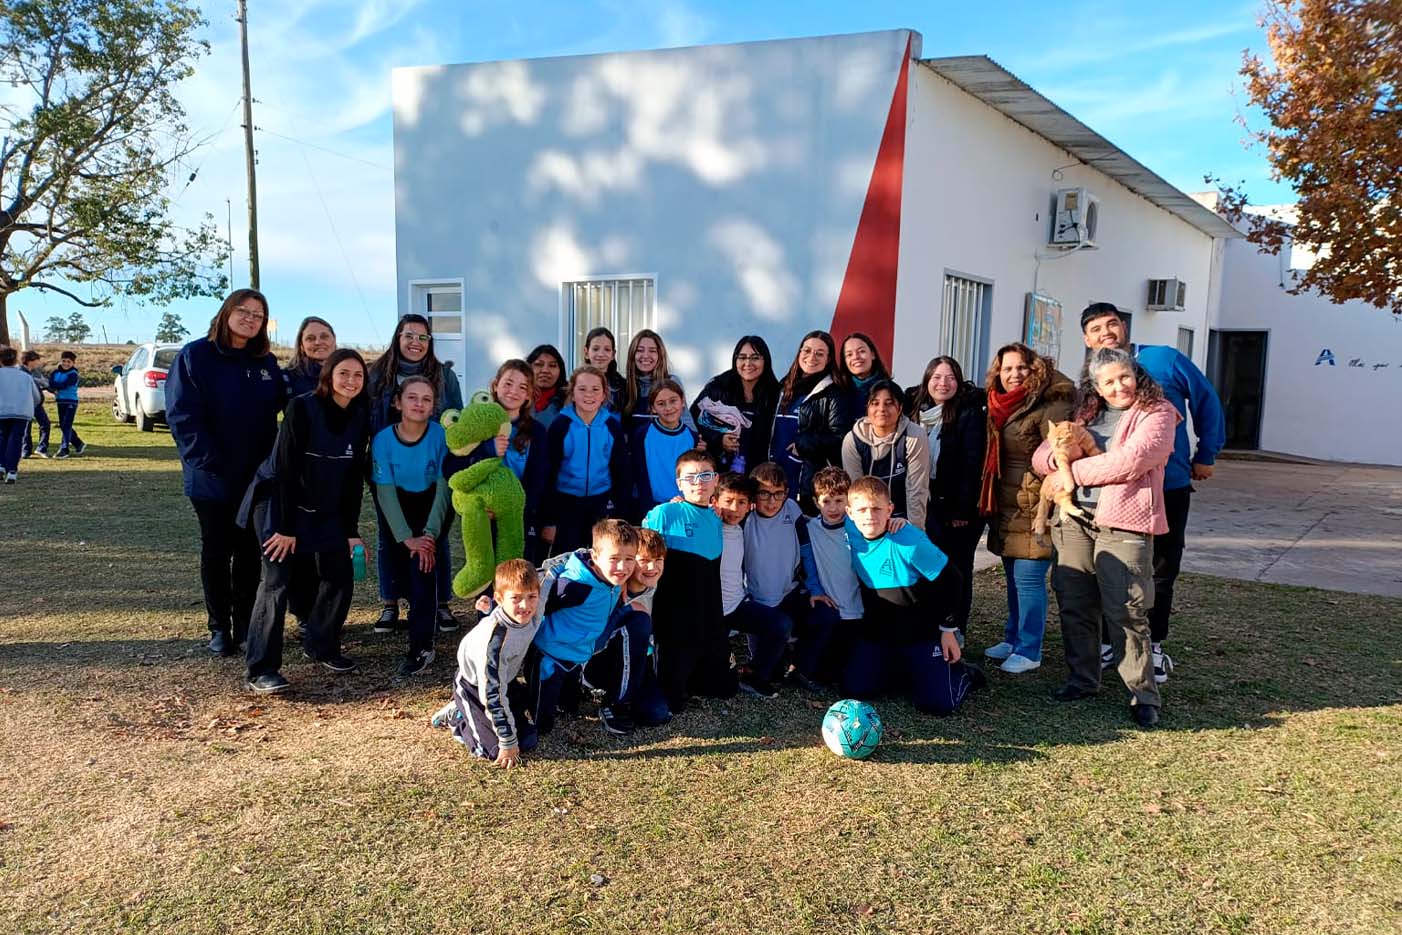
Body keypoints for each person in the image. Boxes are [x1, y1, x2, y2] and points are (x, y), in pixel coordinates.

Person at [1080, 302, 1225, 682]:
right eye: (1096, 329)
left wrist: (1206, 453)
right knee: (1109, 568)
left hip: (1167, 485)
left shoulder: (1163, 359)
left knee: (1159, 569)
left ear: (1124, 327)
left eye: (1112, 324)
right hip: (1111, 491)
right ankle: (1111, 641)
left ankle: (1154, 645)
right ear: (1087, 339)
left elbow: (1206, 399)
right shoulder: (1091, 377)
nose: (1106, 333)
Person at [1033, 346, 1177, 729]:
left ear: (1136, 374)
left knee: (1126, 607)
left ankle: (1143, 694)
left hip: (1125, 522)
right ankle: (1083, 679)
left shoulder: (1158, 413)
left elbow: (1130, 462)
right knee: (1074, 600)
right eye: (1108, 381)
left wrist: (1069, 473)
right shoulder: (1086, 413)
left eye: (1124, 377)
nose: (1118, 387)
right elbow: (1041, 455)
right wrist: (1055, 463)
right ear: (1095, 386)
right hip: (1074, 518)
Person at [240, 349, 372, 693]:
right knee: (276, 581)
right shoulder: (301, 407)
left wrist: (351, 531)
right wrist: (285, 528)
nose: (351, 381)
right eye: (344, 373)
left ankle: (321, 644)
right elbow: (286, 470)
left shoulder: (360, 416)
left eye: (358, 375)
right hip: (279, 502)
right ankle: (261, 669)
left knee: (340, 572)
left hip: (326, 506)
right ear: (328, 376)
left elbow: (352, 480)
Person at [167, 289, 287, 656]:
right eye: (244, 311)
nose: (250, 319)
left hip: (256, 478)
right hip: (213, 477)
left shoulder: (264, 362)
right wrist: (209, 461)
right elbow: (182, 415)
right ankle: (219, 627)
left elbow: (288, 401)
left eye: (258, 315)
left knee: (250, 552)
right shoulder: (195, 356)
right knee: (217, 552)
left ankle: (245, 625)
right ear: (226, 313)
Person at [842, 476, 983, 714]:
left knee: (937, 705)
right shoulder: (849, 529)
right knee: (856, 689)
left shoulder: (909, 541)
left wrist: (948, 629)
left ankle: (964, 673)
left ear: (890, 510)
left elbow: (954, 581)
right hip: (878, 633)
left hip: (919, 633)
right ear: (850, 512)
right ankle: (904, 669)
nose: (869, 516)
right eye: (862, 510)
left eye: (877, 509)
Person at [977, 341, 1076, 675]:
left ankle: (1029, 648)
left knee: (1029, 579)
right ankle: (1013, 637)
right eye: (1007, 369)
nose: (1014, 374)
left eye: (1021, 367)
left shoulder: (1051, 401)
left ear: (1035, 368)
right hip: (1007, 503)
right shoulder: (999, 403)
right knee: (1013, 578)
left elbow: (1059, 450)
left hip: (1037, 505)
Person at [367, 314, 463, 635]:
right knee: (389, 536)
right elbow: (365, 416)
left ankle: (440, 602)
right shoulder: (378, 374)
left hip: (434, 467)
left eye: (423, 337)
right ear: (398, 338)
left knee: (437, 537)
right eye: (409, 335)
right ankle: (390, 602)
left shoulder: (444, 375)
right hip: (389, 465)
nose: (415, 342)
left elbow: (457, 418)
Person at [643, 451, 740, 710]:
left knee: (725, 688)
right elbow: (640, 560)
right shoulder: (664, 514)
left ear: (716, 480)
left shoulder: (717, 517)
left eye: (706, 475)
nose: (699, 482)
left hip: (709, 617)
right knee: (670, 704)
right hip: (674, 621)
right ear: (679, 484)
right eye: (690, 477)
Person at [370, 375, 453, 677]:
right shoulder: (382, 440)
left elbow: (444, 488)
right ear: (398, 403)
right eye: (412, 397)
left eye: (426, 399)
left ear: (434, 406)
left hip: (432, 506)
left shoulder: (441, 436)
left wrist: (429, 536)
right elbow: (385, 493)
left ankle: (422, 646)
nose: (419, 404)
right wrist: (406, 538)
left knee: (423, 569)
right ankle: (403, 613)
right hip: (398, 507)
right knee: (402, 570)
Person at [525, 518, 638, 736]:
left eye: (629, 559)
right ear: (595, 557)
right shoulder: (574, 585)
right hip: (550, 656)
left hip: (577, 656)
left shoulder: (612, 579)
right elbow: (538, 605)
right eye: (614, 559)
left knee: (569, 708)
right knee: (542, 724)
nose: (622, 567)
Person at [906, 356, 987, 638]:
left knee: (956, 570)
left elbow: (971, 465)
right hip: (924, 503)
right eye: (937, 377)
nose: (943, 383)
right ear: (927, 380)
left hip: (957, 508)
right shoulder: (915, 410)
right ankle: (929, 627)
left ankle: (956, 629)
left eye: (950, 377)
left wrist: (962, 511)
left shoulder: (968, 413)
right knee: (926, 566)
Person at [434, 558, 542, 768]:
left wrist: (588, 556)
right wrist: (507, 742)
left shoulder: (536, 605)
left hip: (505, 680)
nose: (525, 605)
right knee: (491, 750)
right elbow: (492, 693)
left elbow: (549, 572)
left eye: (532, 596)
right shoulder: (493, 643)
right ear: (499, 599)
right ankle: (459, 717)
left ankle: (477, 715)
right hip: (476, 686)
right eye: (515, 598)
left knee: (529, 739)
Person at [446, 359, 549, 562]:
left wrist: (512, 508)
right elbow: (451, 468)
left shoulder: (537, 431)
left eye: (522, 387)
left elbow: (540, 479)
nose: (514, 391)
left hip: (518, 516)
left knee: (515, 574)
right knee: (484, 572)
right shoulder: (475, 423)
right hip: (481, 515)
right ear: (495, 385)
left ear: (528, 395)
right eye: (508, 383)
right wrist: (486, 450)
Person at [576, 526, 672, 733]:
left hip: (637, 660)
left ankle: (625, 693)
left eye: (658, 560)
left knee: (657, 713)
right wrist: (625, 610)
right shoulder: (611, 589)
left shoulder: (656, 586)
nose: (652, 567)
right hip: (600, 660)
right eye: (643, 560)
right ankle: (615, 703)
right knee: (638, 622)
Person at [713, 470, 790, 698]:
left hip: (737, 606)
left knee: (781, 624)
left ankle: (754, 674)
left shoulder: (742, 526)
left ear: (749, 505)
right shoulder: (708, 525)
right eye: (728, 501)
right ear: (715, 501)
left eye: (741, 502)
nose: (734, 509)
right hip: (712, 614)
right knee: (721, 686)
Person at [541, 366, 629, 556]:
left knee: (600, 558)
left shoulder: (612, 426)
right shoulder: (560, 425)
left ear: (604, 394)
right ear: (572, 393)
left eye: (595, 389)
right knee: (568, 559)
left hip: (601, 503)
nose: (589, 394)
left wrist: (619, 512)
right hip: (566, 504)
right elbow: (548, 472)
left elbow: (621, 471)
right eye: (582, 389)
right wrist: (549, 520)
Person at [739, 461, 810, 692]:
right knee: (768, 671)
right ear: (753, 494)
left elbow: (807, 546)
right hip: (755, 598)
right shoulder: (744, 516)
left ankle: (794, 656)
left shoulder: (791, 509)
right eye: (764, 494)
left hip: (788, 591)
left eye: (778, 494)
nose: (772, 501)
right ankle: (752, 672)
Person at [795, 467, 863, 686]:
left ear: (849, 500)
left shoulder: (860, 528)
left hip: (858, 611)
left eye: (839, 500)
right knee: (824, 666)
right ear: (816, 502)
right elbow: (807, 562)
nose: (833, 508)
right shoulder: (810, 528)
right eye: (826, 501)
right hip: (830, 607)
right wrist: (815, 589)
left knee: (851, 676)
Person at [770, 330, 847, 508]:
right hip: (772, 481)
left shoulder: (834, 393)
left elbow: (841, 438)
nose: (811, 357)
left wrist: (802, 444)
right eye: (807, 351)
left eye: (819, 354)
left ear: (828, 359)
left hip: (805, 484)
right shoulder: (782, 387)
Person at [841, 378, 931, 529]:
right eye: (875, 403)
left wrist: (914, 531)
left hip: (903, 516)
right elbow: (856, 494)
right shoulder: (853, 440)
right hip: (869, 518)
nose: (881, 409)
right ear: (867, 408)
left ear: (900, 408)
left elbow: (917, 490)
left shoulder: (914, 435)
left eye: (889, 403)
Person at [691, 335, 780, 476]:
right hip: (720, 473)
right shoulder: (718, 387)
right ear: (735, 360)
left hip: (760, 475)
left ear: (765, 361)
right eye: (742, 357)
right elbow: (693, 420)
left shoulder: (776, 394)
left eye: (755, 358)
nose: (748, 363)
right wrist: (718, 439)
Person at [628, 377, 701, 519]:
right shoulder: (641, 435)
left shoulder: (693, 437)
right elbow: (636, 473)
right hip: (652, 508)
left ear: (683, 402)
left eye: (673, 401)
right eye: (661, 404)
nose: (668, 408)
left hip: (683, 507)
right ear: (653, 408)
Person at [622, 329, 693, 430]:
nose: (646, 355)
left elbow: (687, 422)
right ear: (632, 354)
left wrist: (694, 437)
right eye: (640, 350)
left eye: (652, 351)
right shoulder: (625, 386)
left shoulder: (672, 383)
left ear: (660, 355)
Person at [0, 346, 41, 484]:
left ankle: (1, 464)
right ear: (16, 360)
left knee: (2, 438)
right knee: (16, 441)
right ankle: (12, 471)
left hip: (2, 412)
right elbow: (36, 396)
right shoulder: (25, 377)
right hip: (21, 413)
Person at [838, 332, 892, 415]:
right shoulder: (838, 392)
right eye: (849, 354)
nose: (856, 357)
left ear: (873, 354)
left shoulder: (891, 391)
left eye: (861, 351)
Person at [283, 316, 337, 397]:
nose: (318, 342)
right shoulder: (287, 377)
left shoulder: (351, 373)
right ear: (301, 345)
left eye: (324, 336)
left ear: (334, 339)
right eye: (310, 338)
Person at [48, 350, 86, 458]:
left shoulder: (73, 374)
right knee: (63, 425)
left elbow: (64, 385)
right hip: (60, 401)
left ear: (73, 363)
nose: (66, 363)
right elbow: (50, 383)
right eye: (64, 361)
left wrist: (55, 387)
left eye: (69, 362)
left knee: (66, 425)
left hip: (71, 402)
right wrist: (53, 387)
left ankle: (64, 449)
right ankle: (78, 443)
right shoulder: (55, 372)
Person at [583, 326, 628, 415]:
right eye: (595, 349)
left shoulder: (623, 387)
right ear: (586, 352)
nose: (601, 354)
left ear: (613, 354)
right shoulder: (576, 384)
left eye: (607, 349)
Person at [526, 344, 567, 429]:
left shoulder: (570, 400)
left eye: (552, 365)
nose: (545, 370)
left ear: (560, 371)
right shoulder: (517, 396)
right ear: (528, 368)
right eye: (539, 364)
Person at [19, 350, 50, 459]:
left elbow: (44, 383)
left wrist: (52, 389)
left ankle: (41, 448)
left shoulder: (34, 372)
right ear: (30, 361)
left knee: (45, 424)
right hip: (25, 404)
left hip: (36, 404)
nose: (38, 362)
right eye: (37, 360)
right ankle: (26, 450)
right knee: (26, 427)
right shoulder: (20, 372)